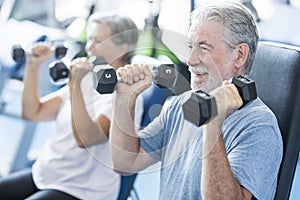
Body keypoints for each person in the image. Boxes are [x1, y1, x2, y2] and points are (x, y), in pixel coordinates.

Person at [110, 1, 283, 200]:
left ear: (239, 55)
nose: (190, 60)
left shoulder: (258, 125)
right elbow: (125, 162)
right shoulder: (180, 105)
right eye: (190, 47)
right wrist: (124, 97)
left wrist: (212, 122)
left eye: (203, 48)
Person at [0, 13, 142, 199]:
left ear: (123, 48)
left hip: (80, 189)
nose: (89, 47)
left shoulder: (125, 94)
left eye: (98, 40)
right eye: (90, 38)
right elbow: (33, 113)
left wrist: (75, 85)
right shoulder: (86, 78)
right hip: (47, 173)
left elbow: (86, 139)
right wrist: (33, 67)